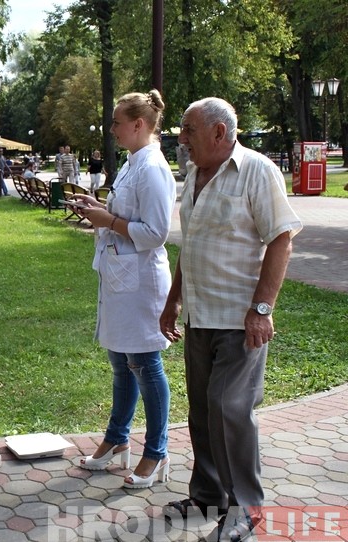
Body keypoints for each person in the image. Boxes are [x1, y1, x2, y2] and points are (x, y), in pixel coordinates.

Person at [159, 97, 302, 541]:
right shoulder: (194, 174)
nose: (181, 140)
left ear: (219, 133)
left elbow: (281, 239)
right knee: (202, 410)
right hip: (201, 315)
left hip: (240, 320)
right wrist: (173, 299)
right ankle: (208, 495)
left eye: (189, 130)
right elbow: (192, 244)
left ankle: (246, 509)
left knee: (229, 409)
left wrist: (262, 309)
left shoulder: (257, 171)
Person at [73, 90, 176, 490]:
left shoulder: (153, 168)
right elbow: (126, 216)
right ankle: (117, 440)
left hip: (141, 284)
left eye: (117, 122)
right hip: (120, 280)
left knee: (146, 366)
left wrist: (108, 220)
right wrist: (98, 209)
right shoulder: (134, 163)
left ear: (138, 125)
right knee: (121, 363)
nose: (111, 129)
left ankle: (157, 450)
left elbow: (156, 233)